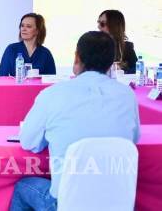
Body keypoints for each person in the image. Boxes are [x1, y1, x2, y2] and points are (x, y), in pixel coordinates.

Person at [10, 31, 140, 210]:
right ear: (111, 63)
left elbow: (28, 141)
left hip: (68, 203)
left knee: (23, 187)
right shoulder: (127, 95)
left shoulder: (53, 94)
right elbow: (133, 139)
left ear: (77, 57)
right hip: (118, 202)